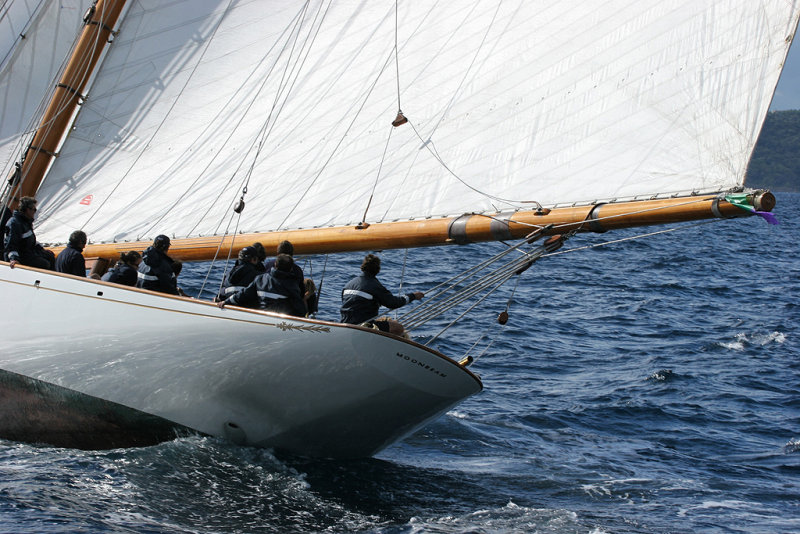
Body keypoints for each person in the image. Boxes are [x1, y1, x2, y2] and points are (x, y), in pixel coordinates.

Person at [340, 253, 423, 332]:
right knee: (398, 328)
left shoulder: (348, 284)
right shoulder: (374, 285)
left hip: (345, 324)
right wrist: (413, 296)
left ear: (363, 267)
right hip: (363, 327)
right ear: (378, 269)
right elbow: (393, 303)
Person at [218, 253, 305, 316]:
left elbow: (244, 294)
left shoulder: (260, 279)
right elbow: (300, 309)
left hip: (261, 317)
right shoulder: (291, 285)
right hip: (280, 321)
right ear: (290, 269)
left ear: (275, 265)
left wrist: (226, 302)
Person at [264, 240, 316, 315]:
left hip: (265, 304)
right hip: (286, 309)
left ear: (278, 253)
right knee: (311, 295)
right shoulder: (296, 270)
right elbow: (300, 293)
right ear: (291, 255)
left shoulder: (268, 265)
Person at [3, 196, 55, 269]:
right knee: (45, 264)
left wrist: (41, 249)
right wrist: (14, 259)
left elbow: (31, 239)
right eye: (34, 210)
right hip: (21, 255)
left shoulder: (26, 221)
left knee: (50, 256)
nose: (35, 212)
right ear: (28, 210)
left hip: (28, 252)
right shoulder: (14, 224)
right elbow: (11, 245)